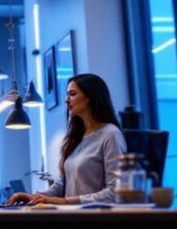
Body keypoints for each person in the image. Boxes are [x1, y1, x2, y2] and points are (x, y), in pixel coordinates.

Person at [8, 73, 127, 205]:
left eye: (72, 94)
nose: (66, 100)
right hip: (72, 214)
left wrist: (65, 201)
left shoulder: (110, 134)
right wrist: (35, 197)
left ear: (89, 97)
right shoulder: (78, 136)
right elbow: (64, 182)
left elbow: (115, 192)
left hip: (94, 215)